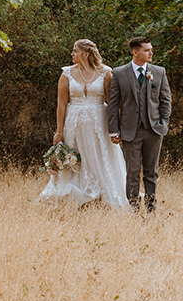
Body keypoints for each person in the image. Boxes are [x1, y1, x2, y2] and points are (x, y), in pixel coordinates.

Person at [38, 39, 130, 210]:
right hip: (75, 124)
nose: (72, 54)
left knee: (100, 156)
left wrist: (115, 128)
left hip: (99, 125)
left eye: (75, 51)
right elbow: (61, 103)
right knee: (76, 157)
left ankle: (103, 195)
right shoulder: (66, 74)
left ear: (86, 54)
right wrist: (59, 131)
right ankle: (74, 198)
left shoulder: (106, 72)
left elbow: (112, 103)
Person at [107, 36, 171, 212]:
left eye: (151, 49)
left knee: (152, 172)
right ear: (135, 52)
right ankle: (134, 209)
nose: (151, 52)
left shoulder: (159, 72)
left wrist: (163, 123)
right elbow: (113, 104)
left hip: (154, 130)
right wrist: (113, 130)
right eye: (147, 50)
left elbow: (166, 100)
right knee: (132, 173)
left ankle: (151, 209)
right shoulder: (119, 73)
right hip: (129, 131)